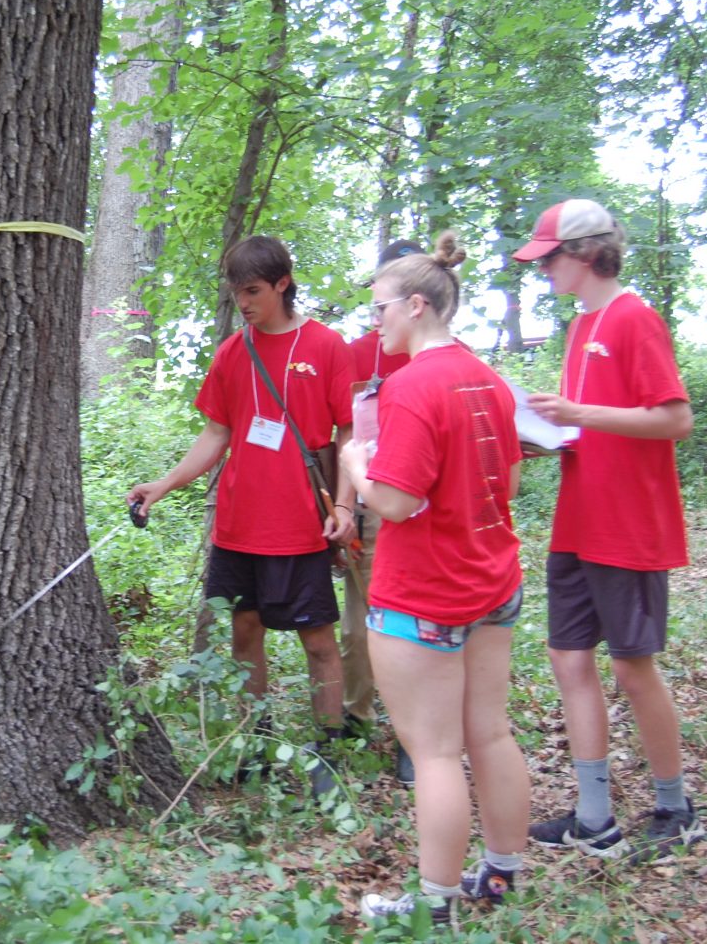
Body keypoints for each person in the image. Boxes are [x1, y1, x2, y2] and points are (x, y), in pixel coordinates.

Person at [340, 232, 531, 928]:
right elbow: (507, 477)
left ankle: (435, 905)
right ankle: (503, 871)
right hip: (492, 578)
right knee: (491, 731)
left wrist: (357, 461)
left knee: (436, 750)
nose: (375, 322)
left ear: (417, 305)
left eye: (381, 309)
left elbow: (391, 500)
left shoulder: (414, 384)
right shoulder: (486, 377)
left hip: (425, 591)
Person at [513, 198, 704, 864]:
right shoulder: (580, 327)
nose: (544, 272)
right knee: (569, 657)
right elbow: (590, 423)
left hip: (629, 524)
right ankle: (593, 815)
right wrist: (549, 433)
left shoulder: (634, 318)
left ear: (588, 254)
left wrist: (580, 413)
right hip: (578, 521)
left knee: (631, 663)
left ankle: (675, 806)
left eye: (550, 259)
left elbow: (673, 418)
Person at [128, 235, 358, 772]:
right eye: (237, 294)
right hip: (238, 524)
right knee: (244, 631)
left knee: (317, 640)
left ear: (283, 283)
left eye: (253, 291)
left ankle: (329, 753)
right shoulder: (234, 351)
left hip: (301, 523)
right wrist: (161, 486)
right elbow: (215, 434)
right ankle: (255, 742)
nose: (245, 304)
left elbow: (349, 433)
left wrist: (344, 508)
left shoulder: (326, 346)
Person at [340, 237, 420, 787]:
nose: (380, 308)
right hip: (370, 504)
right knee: (360, 622)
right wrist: (344, 504)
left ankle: (417, 733)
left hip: (424, 510)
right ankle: (356, 714)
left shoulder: (440, 350)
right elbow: (343, 433)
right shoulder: (358, 352)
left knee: (419, 626)